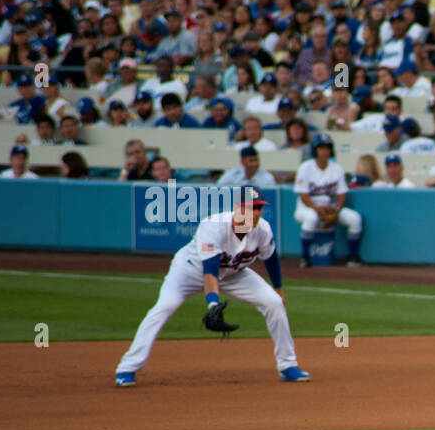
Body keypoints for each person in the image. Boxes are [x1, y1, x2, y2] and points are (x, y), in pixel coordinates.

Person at [114, 190, 309, 387]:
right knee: (165, 307)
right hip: (189, 271)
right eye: (252, 208)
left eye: (259, 208)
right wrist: (213, 304)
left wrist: (279, 289)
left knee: (274, 303)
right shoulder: (214, 226)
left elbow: (271, 258)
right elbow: (210, 272)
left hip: (233, 274)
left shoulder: (263, 229)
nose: (257, 213)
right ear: (238, 209)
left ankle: (287, 365)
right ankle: (127, 367)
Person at [294, 133, 363, 267]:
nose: (325, 151)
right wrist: (318, 209)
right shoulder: (305, 167)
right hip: (306, 209)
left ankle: (353, 257)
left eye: (327, 148)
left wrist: (336, 210)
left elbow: (342, 194)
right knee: (311, 218)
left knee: (355, 218)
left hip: (331, 209)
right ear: (315, 150)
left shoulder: (337, 168)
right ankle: (305, 257)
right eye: (321, 148)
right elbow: (304, 196)